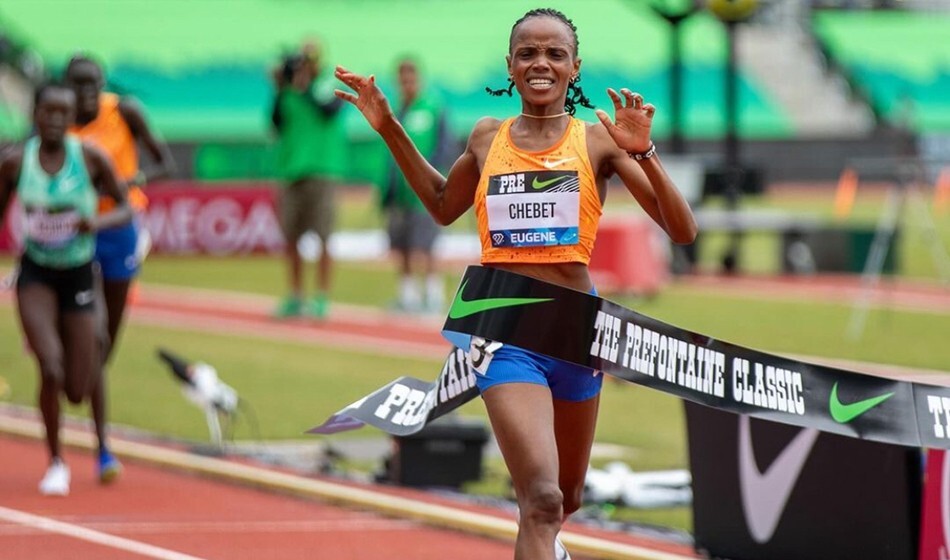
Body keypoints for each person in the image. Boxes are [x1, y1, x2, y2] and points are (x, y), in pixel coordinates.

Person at [335, 8, 697, 559]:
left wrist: (643, 151)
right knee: (542, 500)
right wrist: (388, 127)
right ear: (510, 65)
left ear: (575, 66)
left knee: (567, 498)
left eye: (555, 53)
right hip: (506, 332)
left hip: (577, 333)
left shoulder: (598, 141)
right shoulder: (488, 138)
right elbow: (442, 204)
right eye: (527, 53)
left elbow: (682, 230)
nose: (540, 63)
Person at [0, 82, 131, 496]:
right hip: (35, 275)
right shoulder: (16, 162)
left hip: (79, 274)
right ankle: (56, 462)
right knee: (50, 367)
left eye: (63, 113)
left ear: (72, 118)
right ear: (35, 115)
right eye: (48, 112)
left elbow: (126, 206)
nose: (55, 120)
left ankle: (100, 445)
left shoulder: (90, 158)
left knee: (77, 386)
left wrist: (97, 222)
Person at [64, 54, 176, 482]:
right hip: (77, 234)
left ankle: (86, 377)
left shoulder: (124, 111)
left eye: (92, 84)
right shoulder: (58, 121)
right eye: (77, 84)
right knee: (92, 335)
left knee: (106, 341)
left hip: (120, 229)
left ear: (103, 84)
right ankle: (103, 449)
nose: (85, 93)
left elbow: (165, 163)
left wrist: (127, 183)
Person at [270, 39, 347, 319]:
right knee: (291, 236)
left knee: (323, 235)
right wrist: (280, 88)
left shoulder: (326, 85)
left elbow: (329, 110)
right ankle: (296, 294)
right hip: (292, 169)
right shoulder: (289, 91)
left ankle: (322, 296)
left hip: (322, 168)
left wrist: (305, 89)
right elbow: (275, 122)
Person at [382, 57, 454, 313]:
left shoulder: (432, 108)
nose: (407, 85)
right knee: (401, 245)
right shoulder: (396, 112)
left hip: (425, 192)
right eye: (403, 81)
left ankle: (434, 296)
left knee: (427, 245)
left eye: (411, 79)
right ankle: (408, 296)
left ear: (419, 79)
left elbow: (444, 145)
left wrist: (431, 178)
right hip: (400, 190)